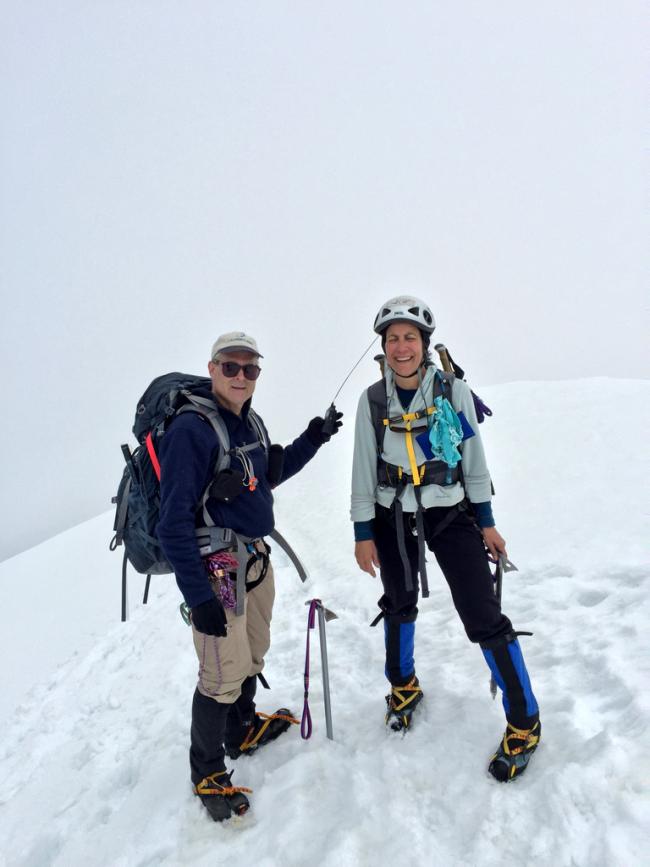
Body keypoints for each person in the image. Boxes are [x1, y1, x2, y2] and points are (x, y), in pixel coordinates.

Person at [351, 297, 540, 781]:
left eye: (409, 337)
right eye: (392, 338)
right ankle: (403, 686)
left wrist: (487, 520)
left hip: (449, 512)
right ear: (383, 347)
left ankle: (525, 720)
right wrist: (362, 532)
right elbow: (361, 467)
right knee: (398, 602)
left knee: (482, 613)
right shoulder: (373, 401)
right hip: (391, 514)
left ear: (424, 344)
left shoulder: (453, 391)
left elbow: (474, 461)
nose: (400, 346)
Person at [157, 331, 342, 821]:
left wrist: (314, 438)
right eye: (231, 367)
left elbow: (269, 475)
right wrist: (199, 598)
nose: (242, 376)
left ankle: (241, 730)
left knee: (251, 652)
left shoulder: (249, 421)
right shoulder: (189, 432)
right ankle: (208, 773)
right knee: (220, 671)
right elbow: (172, 523)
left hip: (255, 560)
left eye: (251, 368)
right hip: (216, 568)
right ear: (213, 368)